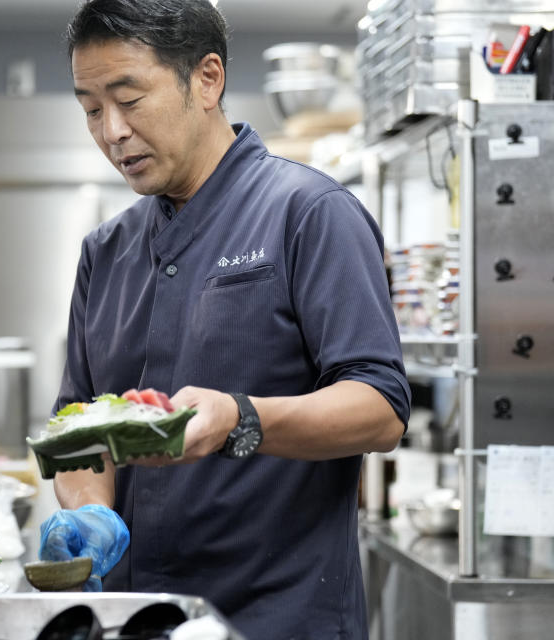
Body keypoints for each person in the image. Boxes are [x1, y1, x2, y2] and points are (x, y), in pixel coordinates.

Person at [36, 1, 410, 638]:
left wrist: (243, 420)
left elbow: (380, 407)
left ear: (207, 79)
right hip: (140, 617)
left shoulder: (310, 212)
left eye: (129, 98)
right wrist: (87, 511)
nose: (112, 131)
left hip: (277, 617)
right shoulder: (106, 251)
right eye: (91, 109)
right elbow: (80, 432)